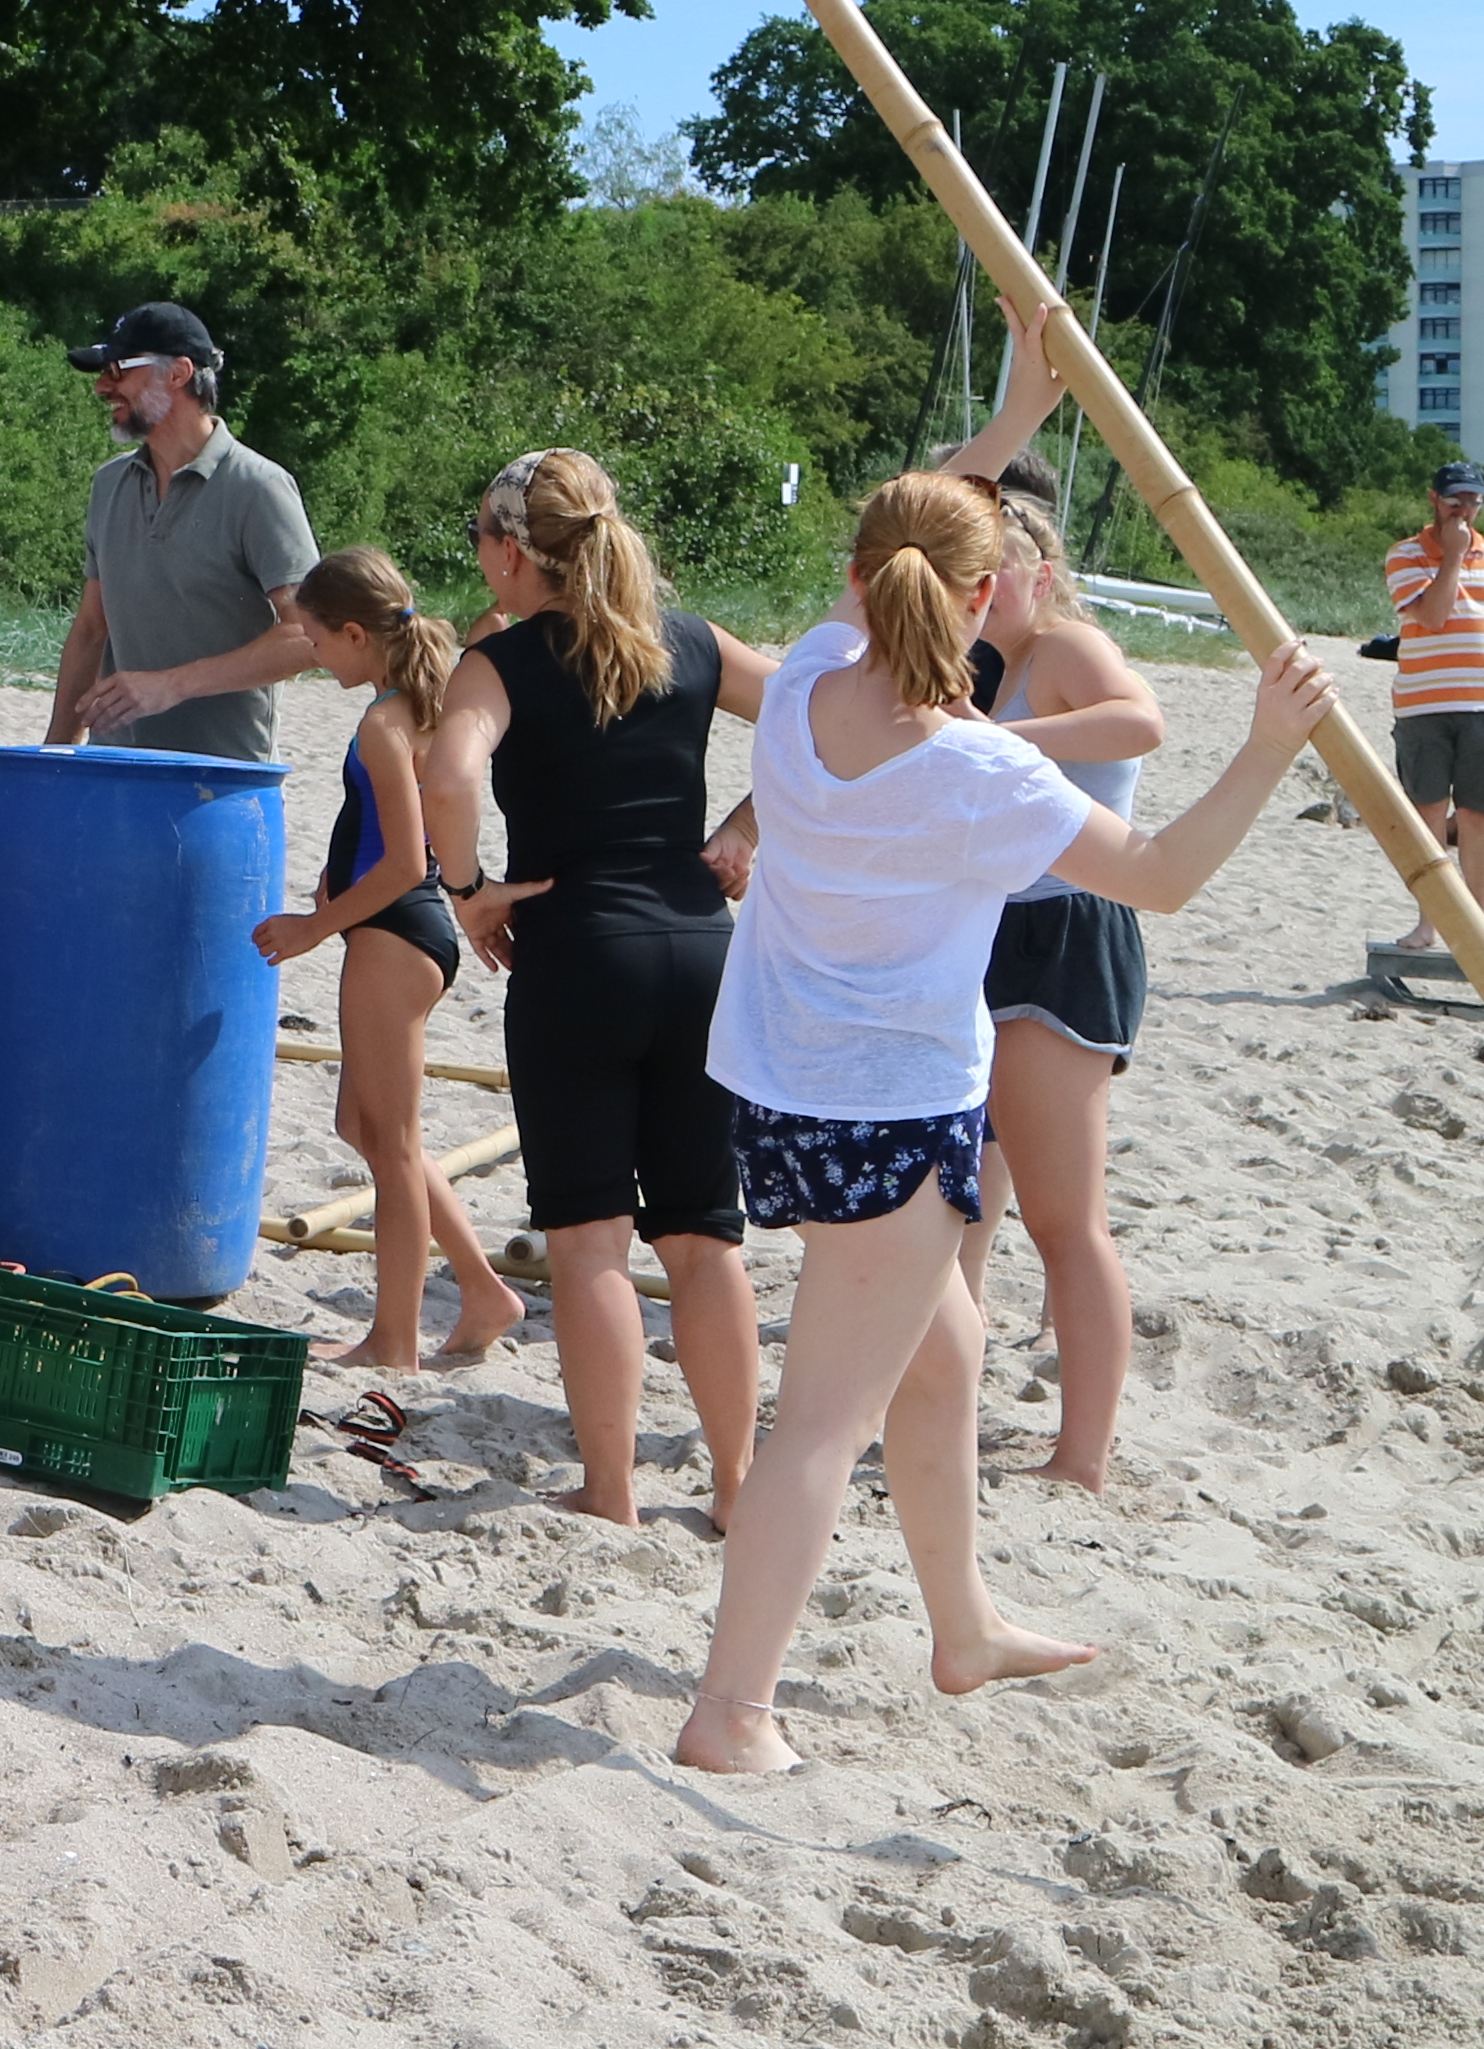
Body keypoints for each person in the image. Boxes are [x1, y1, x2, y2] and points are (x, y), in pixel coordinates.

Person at [677, 476, 1341, 1778]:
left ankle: (965, 1623)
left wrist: (1013, 420)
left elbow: (893, 569)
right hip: (889, 1118)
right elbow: (1161, 880)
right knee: (821, 1422)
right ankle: (732, 1712)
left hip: (776, 1094)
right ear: (984, 601)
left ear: (859, 579)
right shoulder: (978, 768)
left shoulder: (807, 681)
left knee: (948, 1355)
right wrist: (1267, 745)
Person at [415, 447, 773, 1526]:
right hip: (703, 953)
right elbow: (830, 727)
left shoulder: (504, 662)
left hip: (577, 955)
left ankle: (611, 1490)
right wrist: (748, 829)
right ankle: (737, 1488)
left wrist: (472, 888)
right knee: (706, 1243)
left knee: (590, 1244)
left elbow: (448, 771)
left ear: (518, 552)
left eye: (482, 539)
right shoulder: (695, 641)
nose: (478, 558)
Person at [254, 547, 519, 1372]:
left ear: (356, 633)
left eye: (315, 640)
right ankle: (481, 1287)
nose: (311, 654)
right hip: (401, 928)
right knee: (360, 1126)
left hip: (397, 929)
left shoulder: (383, 721)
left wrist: (314, 925)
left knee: (396, 1146)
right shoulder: (411, 702)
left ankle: (394, 1338)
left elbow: (406, 861)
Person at [960, 484, 1169, 1483]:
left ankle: (1081, 1456)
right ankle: (942, 1401)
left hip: (1066, 926)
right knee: (959, 1199)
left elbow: (1142, 723)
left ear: (1035, 575)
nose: (974, 593)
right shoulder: (978, 658)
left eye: (988, 577)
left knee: (1064, 1218)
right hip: (986, 927)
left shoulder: (1061, 646)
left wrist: (1005, 737)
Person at [46, 303, 320, 761]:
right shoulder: (109, 484)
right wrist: (53, 757)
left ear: (178, 373)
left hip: (221, 777)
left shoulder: (260, 488)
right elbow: (92, 629)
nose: (101, 385)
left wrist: (171, 685)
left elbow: (310, 637)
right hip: (111, 767)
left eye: (117, 369)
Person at [1380, 461, 1484, 937]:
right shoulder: (1405, 555)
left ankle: (1477, 922)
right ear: (1434, 500)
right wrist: (1452, 556)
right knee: (1428, 814)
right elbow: (1432, 616)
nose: (1464, 512)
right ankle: (1431, 921)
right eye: (1454, 502)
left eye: (1473, 502)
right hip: (1422, 705)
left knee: (1475, 815)